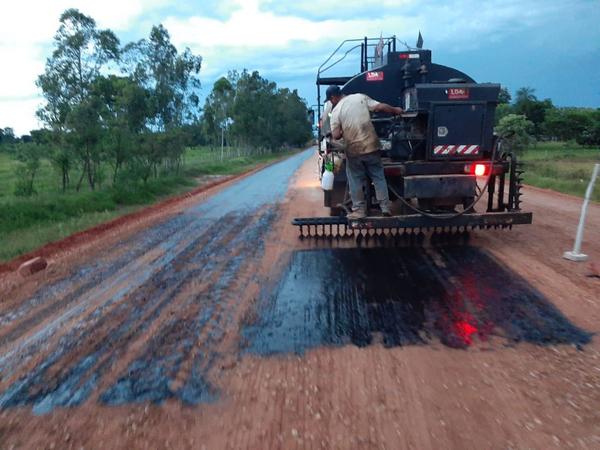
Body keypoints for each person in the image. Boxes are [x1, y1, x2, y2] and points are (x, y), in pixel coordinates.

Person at [327, 85, 403, 219]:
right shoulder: (360, 97)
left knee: (355, 178)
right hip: (371, 146)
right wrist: (396, 110)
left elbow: (336, 135)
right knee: (378, 176)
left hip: (354, 150)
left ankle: (359, 210)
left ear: (333, 98)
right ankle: (385, 207)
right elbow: (380, 107)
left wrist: (342, 130)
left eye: (330, 100)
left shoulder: (336, 111)